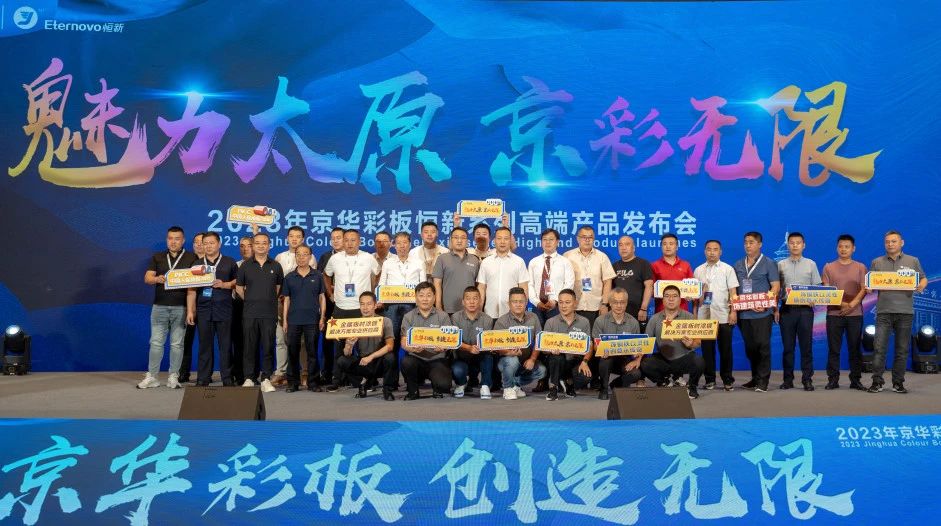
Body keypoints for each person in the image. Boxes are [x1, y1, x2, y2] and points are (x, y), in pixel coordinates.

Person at [867, 230, 927, 394]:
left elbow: (923, 278)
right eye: (887, 242)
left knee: (901, 350)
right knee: (879, 349)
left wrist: (921, 285)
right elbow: (870, 283)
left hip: (905, 312)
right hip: (883, 312)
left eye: (894, 241)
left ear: (902, 243)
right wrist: (869, 287)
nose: (890, 244)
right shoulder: (876, 262)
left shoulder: (912, 260)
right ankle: (877, 382)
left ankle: (898, 383)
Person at [138, 226, 197, 389]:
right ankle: (152, 376)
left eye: (177, 239)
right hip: (160, 307)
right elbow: (147, 278)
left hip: (181, 307)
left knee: (177, 344)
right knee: (156, 342)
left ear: (183, 241)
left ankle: (173, 376)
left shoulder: (191, 257)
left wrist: (190, 310)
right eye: (170, 238)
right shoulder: (158, 257)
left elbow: (193, 286)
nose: (173, 242)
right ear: (167, 240)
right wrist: (157, 279)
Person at [323, 229, 381, 390]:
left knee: (363, 346)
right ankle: (336, 380)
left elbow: (378, 273)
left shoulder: (368, 258)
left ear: (359, 242)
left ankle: (367, 379)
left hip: (361, 309)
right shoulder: (335, 259)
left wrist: (372, 292)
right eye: (346, 240)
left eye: (353, 240)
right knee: (338, 346)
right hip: (340, 308)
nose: (349, 243)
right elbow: (326, 275)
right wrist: (330, 294)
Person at [186, 232, 238, 386]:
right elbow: (191, 289)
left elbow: (238, 281)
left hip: (224, 309)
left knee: (225, 345)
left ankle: (227, 378)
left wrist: (225, 284)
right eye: (205, 243)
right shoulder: (197, 264)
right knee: (204, 346)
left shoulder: (229, 262)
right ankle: (203, 378)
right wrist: (190, 311)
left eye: (211, 243)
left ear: (219, 244)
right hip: (204, 310)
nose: (208, 246)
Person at [236, 232, 284, 392]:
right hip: (250, 313)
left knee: (268, 346)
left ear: (269, 245)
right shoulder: (245, 265)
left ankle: (266, 379)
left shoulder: (276, 266)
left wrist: (266, 300)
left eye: (264, 243)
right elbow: (239, 288)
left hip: (269, 313)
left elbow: (278, 288)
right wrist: (251, 300)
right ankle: (249, 377)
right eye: (257, 243)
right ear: (253, 246)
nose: (261, 246)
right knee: (249, 346)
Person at [733, 231, 780, 393]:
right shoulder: (738, 264)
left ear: (760, 244)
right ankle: (755, 378)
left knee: (763, 346)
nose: (748, 245)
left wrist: (766, 303)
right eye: (746, 242)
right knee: (750, 348)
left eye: (751, 242)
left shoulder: (769, 263)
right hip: (744, 313)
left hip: (762, 313)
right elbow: (734, 289)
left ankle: (763, 381)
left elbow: (775, 287)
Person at [641, 285, 704, 399]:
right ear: (662, 299)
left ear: (680, 299)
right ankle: (664, 381)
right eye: (667, 296)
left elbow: (698, 342)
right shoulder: (655, 318)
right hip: (663, 359)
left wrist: (691, 344)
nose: (671, 299)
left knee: (699, 361)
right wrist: (638, 358)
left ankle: (692, 387)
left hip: (683, 358)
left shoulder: (689, 317)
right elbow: (646, 342)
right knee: (644, 364)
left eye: (674, 296)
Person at [776, 232, 822, 391]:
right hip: (786, 310)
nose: (795, 245)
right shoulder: (780, 265)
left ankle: (807, 379)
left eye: (798, 243)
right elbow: (776, 289)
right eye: (792, 243)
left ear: (804, 245)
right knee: (788, 347)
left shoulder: (811, 264)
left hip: (805, 311)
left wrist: (814, 298)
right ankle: (787, 380)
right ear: (788, 245)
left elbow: (817, 287)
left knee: (806, 347)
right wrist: (775, 309)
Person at [822, 234, 868, 391]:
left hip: (855, 314)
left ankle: (856, 380)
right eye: (840, 246)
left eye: (847, 246)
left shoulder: (861, 267)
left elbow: (864, 289)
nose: (843, 249)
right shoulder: (828, 267)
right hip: (834, 314)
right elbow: (826, 291)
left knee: (854, 348)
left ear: (853, 248)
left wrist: (852, 304)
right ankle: (833, 380)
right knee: (834, 349)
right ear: (837, 248)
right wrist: (842, 304)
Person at [693, 240, 739, 390]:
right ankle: (709, 379)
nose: (712, 252)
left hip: (724, 315)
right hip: (704, 316)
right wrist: (695, 317)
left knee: (726, 350)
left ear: (720, 252)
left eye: (715, 249)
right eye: (709, 249)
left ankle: (727, 380)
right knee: (707, 351)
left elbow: (733, 293)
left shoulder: (727, 269)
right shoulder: (698, 270)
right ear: (704, 251)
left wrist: (733, 312)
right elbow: (696, 298)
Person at [281, 245, 326, 393]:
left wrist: (322, 317)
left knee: (312, 352)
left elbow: (322, 297)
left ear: (310, 257)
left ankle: (313, 382)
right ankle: (293, 383)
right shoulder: (289, 277)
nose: (301, 257)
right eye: (298, 255)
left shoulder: (317, 276)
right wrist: (285, 320)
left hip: (312, 320)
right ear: (295, 257)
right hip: (293, 320)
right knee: (292, 352)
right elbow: (286, 300)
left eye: (305, 254)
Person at [336, 291, 396, 400]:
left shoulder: (385, 321)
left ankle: (387, 390)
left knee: (390, 357)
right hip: (363, 361)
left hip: (379, 360)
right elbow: (347, 353)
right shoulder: (355, 324)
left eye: (369, 304)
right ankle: (363, 383)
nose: (365, 307)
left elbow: (390, 346)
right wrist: (349, 345)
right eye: (362, 304)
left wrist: (371, 357)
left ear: (375, 305)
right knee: (342, 361)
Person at [400, 282, 454, 400]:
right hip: (416, 358)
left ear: (434, 298)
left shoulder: (443, 316)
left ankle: (437, 387)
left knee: (444, 385)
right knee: (406, 362)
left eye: (429, 295)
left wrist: (444, 347)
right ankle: (413, 391)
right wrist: (412, 348)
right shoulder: (408, 317)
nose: (425, 299)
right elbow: (404, 341)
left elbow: (449, 340)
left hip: (437, 359)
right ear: (416, 298)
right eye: (421, 295)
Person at [590, 288, 644, 399]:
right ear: (610, 303)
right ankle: (604, 388)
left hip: (624, 359)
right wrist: (600, 350)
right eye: (615, 302)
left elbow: (638, 346)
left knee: (636, 374)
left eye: (622, 302)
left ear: (626, 303)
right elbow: (595, 344)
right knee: (605, 361)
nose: (619, 306)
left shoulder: (633, 322)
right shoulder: (600, 320)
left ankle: (616, 384)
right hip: (606, 358)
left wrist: (636, 360)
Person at [272, 226, 309, 386]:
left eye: (298, 236)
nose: (294, 239)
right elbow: (275, 281)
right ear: (287, 238)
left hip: (301, 304)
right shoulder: (280, 257)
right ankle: (281, 372)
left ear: (303, 239)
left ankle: (304, 372)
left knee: (302, 341)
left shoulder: (310, 257)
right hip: (282, 303)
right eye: (291, 236)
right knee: (281, 339)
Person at [494, 287, 546, 400]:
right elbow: (495, 347)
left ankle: (516, 385)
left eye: (521, 301)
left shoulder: (533, 317)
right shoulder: (501, 321)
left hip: (525, 359)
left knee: (542, 371)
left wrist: (532, 359)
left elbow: (539, 340)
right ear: (509, 303)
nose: (518, 304)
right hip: (506, 360)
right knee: (512, 361)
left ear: (526, 302)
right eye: (514, 301)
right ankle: (508, 388)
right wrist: (509, 352)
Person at [541, 289, 593, 401]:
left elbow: (589, 345)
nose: (563, 306)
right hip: (556, 360)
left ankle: (568, 382)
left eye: (567, 302)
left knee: (585, 377)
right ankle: (553, 388)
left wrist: (585, 362)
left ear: (575, 303)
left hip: (575, 360)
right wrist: (550, 350)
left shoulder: (584, 322)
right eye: (560, 302)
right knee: (557, 358)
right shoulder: (550, 322)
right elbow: (543, 349)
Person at [563, 226, 615, 327]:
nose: (587, 240)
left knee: (594, 335)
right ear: (578, 239)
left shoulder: (602, 257)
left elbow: (607, 282)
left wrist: (604, 304)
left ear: (594, 239)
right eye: (584, 237)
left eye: (590, 237)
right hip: (573, 307)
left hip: (595, 307)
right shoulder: (567, 256)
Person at [450, 287, 495, 399]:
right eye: (468, 298)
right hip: (462, 356)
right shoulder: (455, 318)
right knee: (457, 370)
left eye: (475, 298)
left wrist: (489, 346)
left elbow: (489, 341)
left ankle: (485, 385)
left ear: (480, 301)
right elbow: (453, 341)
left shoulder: (487, 319)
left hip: (481, 355)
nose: (472, 302)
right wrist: (469, 348)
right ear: (463, 302)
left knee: (488, 357)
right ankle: (461, 384)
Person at [478, 227, 529, 319]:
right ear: (494, 241)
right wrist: (479, 311)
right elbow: (481, 288)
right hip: (489, 313)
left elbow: (524, 287)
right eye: (499, 238)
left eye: (506, 238)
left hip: (513, 314)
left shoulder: (519, 261)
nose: (502, 242)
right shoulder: (486, 262)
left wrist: (522, 311)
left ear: (510, 241)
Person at [527, 228, 575, 327]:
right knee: (537, 333)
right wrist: (536, 302)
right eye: (545, 239)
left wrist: (556, 300)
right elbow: (529, 284)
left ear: (557, 242)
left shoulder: (565, 262)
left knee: (555, 333)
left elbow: (569, 284)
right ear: (541, 242)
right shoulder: (533, 262)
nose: (547, 242)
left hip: (557, 307)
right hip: (537, 307)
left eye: (551, 239)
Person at [317, 227, 345, 386]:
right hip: (329, 303)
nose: (335, 241)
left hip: (348, 304)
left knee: (347, 340)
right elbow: (320, 279)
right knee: (328, 340)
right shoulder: (325, 257)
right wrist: (331, 290)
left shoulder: (352, 256)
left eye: (338, 237)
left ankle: (345, 375)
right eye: (333, 238)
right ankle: (327, 373)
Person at [432, 227, 481, 315]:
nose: (459, 240)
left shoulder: (474, 260)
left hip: (470, 309)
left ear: (467, 241)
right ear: (451, 240)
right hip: (447, 309)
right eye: (456, 237)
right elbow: (437, 284)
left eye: (463, 238)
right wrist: (438, 306)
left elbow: (479, 285)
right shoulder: (442, 258)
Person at [611, 235, 654, 328]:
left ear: (633, 248)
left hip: (638, 313)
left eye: (627, 244)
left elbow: (649, 286)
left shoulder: (643, 264)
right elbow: (611, 290)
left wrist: (643, 308)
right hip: (617, 313)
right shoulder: (614, 266)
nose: (623, 248)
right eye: (620, 245)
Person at [179, 231, 205, 383]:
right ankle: (183, 372)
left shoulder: (212, 262)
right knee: (185, 341)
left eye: (202, 242)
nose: (199, 245)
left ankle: (205, 374)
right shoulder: (186, 261)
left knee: (206, 342)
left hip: (207, 307)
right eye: (196, 242)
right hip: (188, 307)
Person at [651, 233, 694, 313]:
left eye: (671, 244)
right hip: (661, 311)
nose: (668, 246)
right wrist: (657, 292)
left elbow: (691, 287)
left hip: (682, 311)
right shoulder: (654, 265)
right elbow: (650, 289)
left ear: (676, 247)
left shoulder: (686, 265)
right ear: (661, 247)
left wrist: (691, 294)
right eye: (664, 244)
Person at [231, 236, 254, 385]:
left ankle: (252, 374)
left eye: (249, 245)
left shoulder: (261, 265)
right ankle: (238, 375)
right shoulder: (234, 265)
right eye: (242, 246)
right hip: (237, 306)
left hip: (255, 306)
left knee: (253, 342)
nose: (245, 249)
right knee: (238, 342)